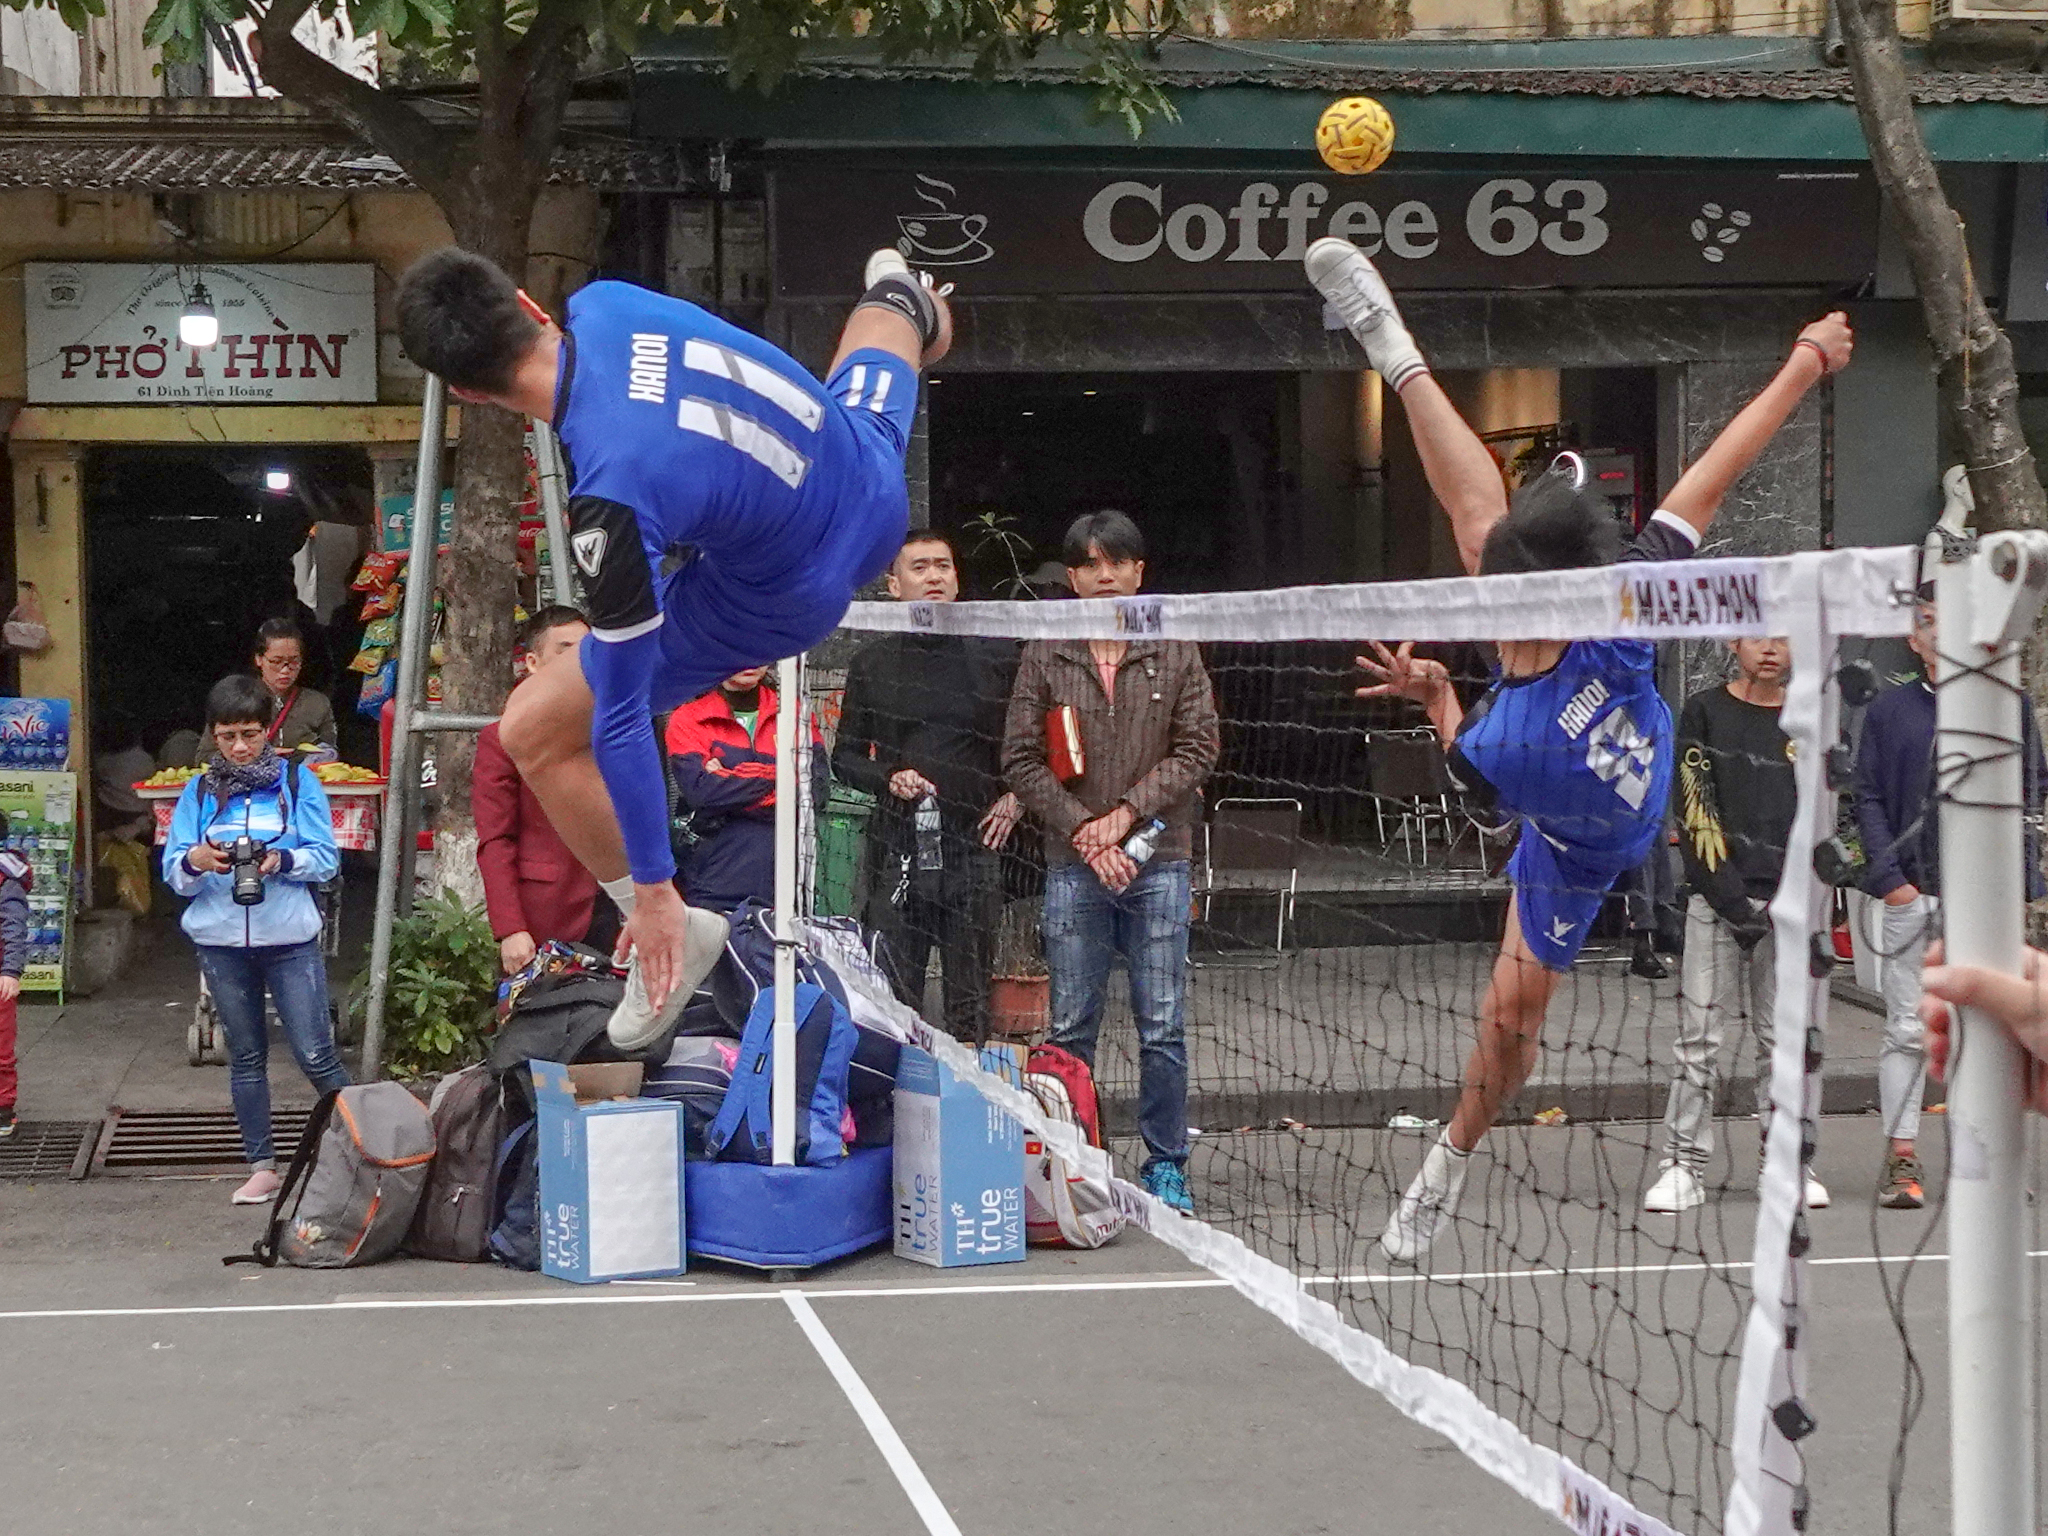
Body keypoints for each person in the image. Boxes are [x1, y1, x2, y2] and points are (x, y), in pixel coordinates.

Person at [1311, 232, 1853, 1261]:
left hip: (1644, 811)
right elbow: (1473, 788)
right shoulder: (1502, 733)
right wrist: (1434, 695)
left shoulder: (1623, 605)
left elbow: (1715, 469)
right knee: (1507, 1026)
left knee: (1478, 532)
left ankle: (1392, 346)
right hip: (1569, 853)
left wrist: (1800, 362)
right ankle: (1447, 1163)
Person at [395, 243, 952, 1052]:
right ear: (529, 302)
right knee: (891, 313)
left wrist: (655, 890)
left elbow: (619, 720)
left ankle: (671, 923)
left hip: (781, 593)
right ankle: (914, 296)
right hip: (868, 483)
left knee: (533, 729)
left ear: (471, 394)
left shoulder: (611, 494)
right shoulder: (609, 300)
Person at [1002, 511, 1220, 1214]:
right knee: (1070, 1024)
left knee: (1162, 1023)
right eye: (1091, 566)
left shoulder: (1177, 647)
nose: (1105, 576)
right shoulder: (1045, 651)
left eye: (1117, 563)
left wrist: (1123, 819)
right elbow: (1020, 759)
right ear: (1072, 579)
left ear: (1138, 572)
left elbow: (1198, 751)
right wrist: (1085, 832)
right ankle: (1075, 1160)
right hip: (1072, 864)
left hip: (1159, 857)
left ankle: (1166, 1164)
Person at [1854, 592, 2044, 1209]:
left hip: (1988, 902)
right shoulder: (1889, 711)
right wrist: (1892, 882)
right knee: (1910, 1029)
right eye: (1928, 625)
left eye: (1953, 623)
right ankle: (1900, 1160)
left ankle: (1984, 1164)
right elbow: (1868, 798)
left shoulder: (2008, 707)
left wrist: (2020, 887)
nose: (1941, 636)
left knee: (1989, 1030)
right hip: (1916, 896)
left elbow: (2032, 795)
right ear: (1913, 639)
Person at [1643, 636, 1829, 1214]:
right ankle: (1681, 1164)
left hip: (1788, 906)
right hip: (1715, 903)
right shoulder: (1703, 711)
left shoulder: (1811, 714)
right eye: (1757, 638)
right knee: (1699, 1037)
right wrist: (1728, 899)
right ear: (1733, 642)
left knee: (1781, 1040)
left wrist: (1791, 895)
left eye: (1782, 637)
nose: (1771, 650)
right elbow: (1695, 806)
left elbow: (1823, 810)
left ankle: (1785, 1162)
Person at [164, 674, 349, 1206]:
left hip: (289, 938)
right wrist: (195, 861)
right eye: (227, 736)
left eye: (249, 733)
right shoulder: (199, 792)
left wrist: (282, 860)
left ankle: (365, 1143)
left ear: (269, 730)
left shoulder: (297, 782)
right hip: (221, 941)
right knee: (246, 1057)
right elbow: (173, 873)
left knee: (316, 1053)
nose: (240, 747)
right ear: (213, 736)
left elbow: (327, 858)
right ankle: (262, 1165)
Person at [833, 531, 1022, 1042]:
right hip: (897, 848)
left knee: (971, 1002)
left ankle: (970, 1107)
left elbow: (1027, 746)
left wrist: (1016, 796)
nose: (934, 576)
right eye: (920, 567)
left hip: (974, 846)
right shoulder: (871, 663)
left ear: (957, 580)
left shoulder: (995, 656)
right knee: (895, 998)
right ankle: (894, 1107)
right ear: (894, 586)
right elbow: (844, 759)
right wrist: (889, 778)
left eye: (943, 565)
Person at [474, 606, 616, 974]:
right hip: (547, 910)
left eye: (587, 650)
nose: (579, 662)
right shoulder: (502, 738)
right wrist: (511, 928)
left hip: (618, 902)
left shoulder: (618, 728)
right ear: (534, 663)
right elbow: (496, 839)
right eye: (565, 651)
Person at [665, 664, 824, 915]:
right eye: (740, 647)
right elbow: (702, 793)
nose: (750, 660)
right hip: (714, 882)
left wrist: (728, 778)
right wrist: (782, 775)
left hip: (787, 882)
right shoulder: (688, 718)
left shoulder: (795, 713)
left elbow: (816, 791)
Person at [251, 617, 338, 758]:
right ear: (259, 659)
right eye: (276, 661)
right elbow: (206, 756)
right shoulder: (236, 700)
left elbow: (330, 751)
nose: (285, 670)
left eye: (294, 661)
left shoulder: (318, 703)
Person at [0, 830, 31, 1140]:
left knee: (0, 1045)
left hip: (0, 977)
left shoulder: (7, 882)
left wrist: (10, 971)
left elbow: (14, 928)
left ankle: (3, 1108)